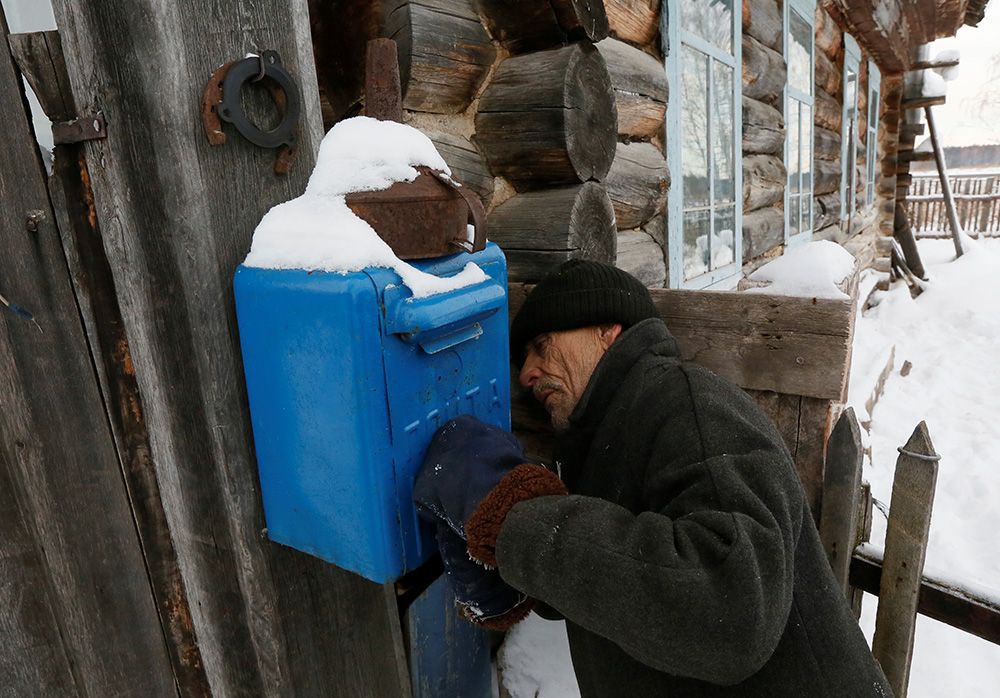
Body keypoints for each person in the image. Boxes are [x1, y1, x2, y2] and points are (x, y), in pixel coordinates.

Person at [424, 259, 894, 697]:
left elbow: (729, 610)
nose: (527, 373)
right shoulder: (603, 437)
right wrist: (516, 562)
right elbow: (632, 583)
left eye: (541, 346)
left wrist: (518, 519)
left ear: (607, 331)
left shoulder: (689, 406)